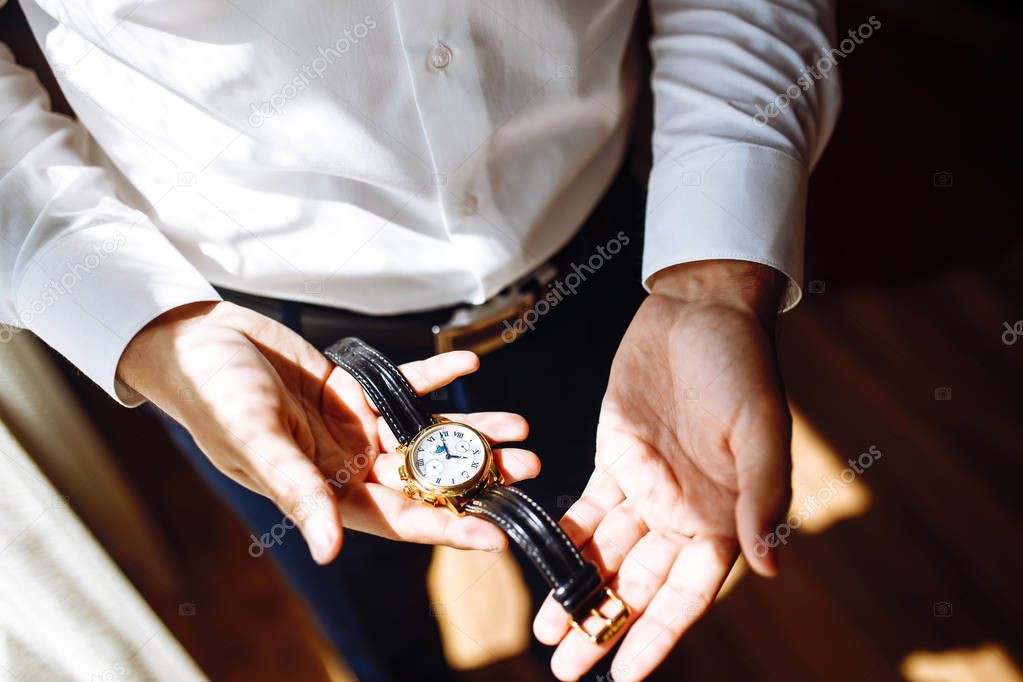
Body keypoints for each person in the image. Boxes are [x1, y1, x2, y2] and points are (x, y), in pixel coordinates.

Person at [0, 1, 841, 680]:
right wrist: (149, 328)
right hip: (252, 358)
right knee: (372, 629)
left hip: (612, 286)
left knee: (605, 591)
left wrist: (713, 281)